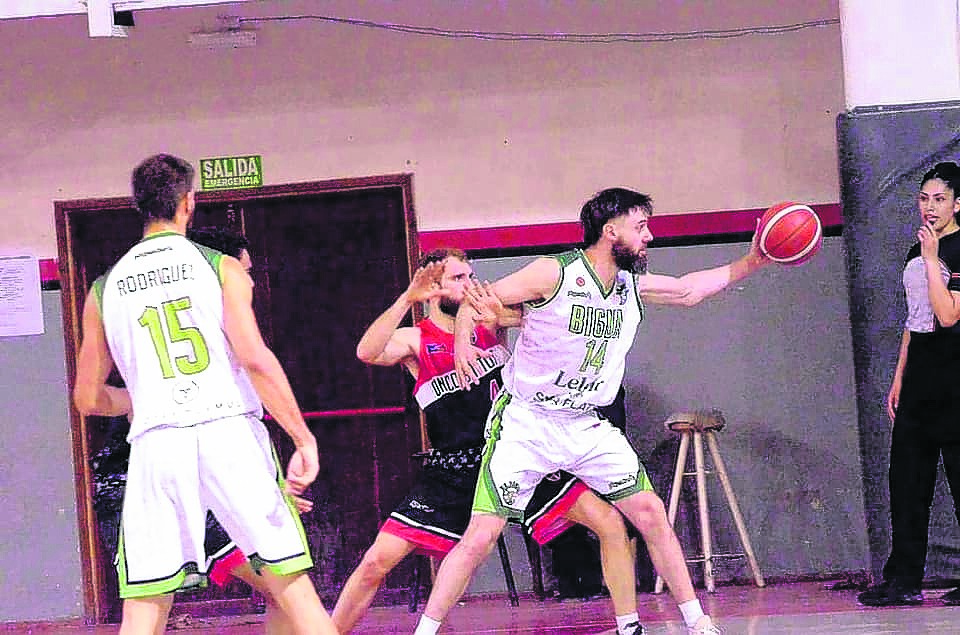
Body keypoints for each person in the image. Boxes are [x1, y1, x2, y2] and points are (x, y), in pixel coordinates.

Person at [412, 187, 772, 635]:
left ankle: (695, 624)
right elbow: (477, 301)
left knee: (649, 513)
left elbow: (686, 290)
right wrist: (464, 342)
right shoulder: (553, 272)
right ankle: (424, 632)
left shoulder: (629, 287)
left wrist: (751, 262)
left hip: (585, 423)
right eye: (641, 226)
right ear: (610, 230)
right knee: (481, 535)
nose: (651, 237)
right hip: (527, 424)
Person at [72, 154, 337, 634]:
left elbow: (88, 399)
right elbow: (255, 359)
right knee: (292, 585)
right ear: (188, 203)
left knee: (145, 604)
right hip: (226, 431)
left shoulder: (103, 288)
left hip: (157, 445)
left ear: (139, 206)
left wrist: (139, 400)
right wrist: (303, 438)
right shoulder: (217, 267)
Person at [333, 248, 641, 635]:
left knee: (608, 521)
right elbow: (367, 351)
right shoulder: (416, 340)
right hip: (455, 469)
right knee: (376, 561)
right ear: (434, 288)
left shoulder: (492, 321)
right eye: (458, 278)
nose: (470, 284)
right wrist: (406, 299)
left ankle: (629, 626)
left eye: (471, 275)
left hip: (516, 451)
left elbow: (539, 317)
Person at [858, 162, 960, 608]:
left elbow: (948, 315)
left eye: (940, 199)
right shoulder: (913, 251)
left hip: (955, 375)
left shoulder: (950, 249)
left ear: (957, 204)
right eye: (924, 198)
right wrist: (900, 377)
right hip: (919, 373)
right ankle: (903, 580)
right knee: (907, 480)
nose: (930, 207)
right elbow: (915, 319)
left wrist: (935, 259)